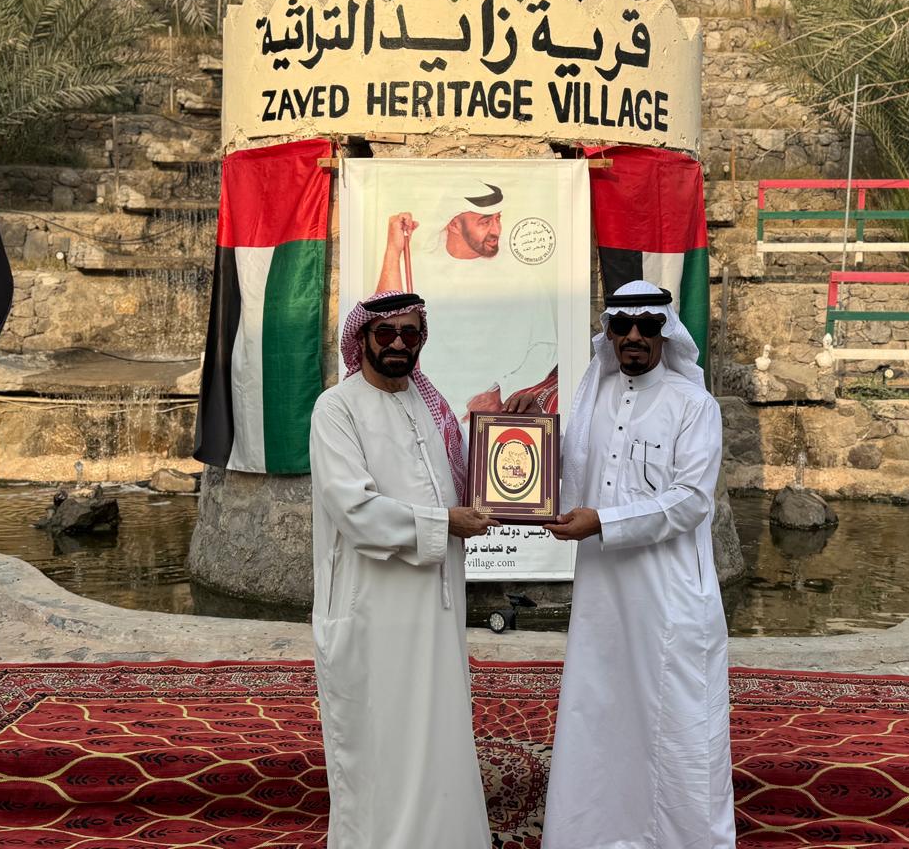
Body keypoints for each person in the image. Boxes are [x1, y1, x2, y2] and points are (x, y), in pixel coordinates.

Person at [541, 279, 736, 849]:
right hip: (602, 593)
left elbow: (691, 501)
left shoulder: (693, 405)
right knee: (600, 712)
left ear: (665, 334)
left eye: (647, 326)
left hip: (668, 596)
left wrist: (604, 522)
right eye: (621, 326)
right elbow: (562, 473)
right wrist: (521, 428)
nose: (633, 336)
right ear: (608, 333)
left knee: (674, 720)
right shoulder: (593, 398)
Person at [309, 290, 496, 849]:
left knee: (440, 736)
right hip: (373, 613)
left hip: (435, 612)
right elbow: (356, 512)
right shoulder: (336, 409)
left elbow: (461, 487)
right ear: (362, 338)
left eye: (409, 334)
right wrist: (445, 523)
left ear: (421, 340)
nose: (397, 344)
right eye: (385, 333)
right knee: (381, 745)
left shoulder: (428, 407)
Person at [373, 181, 558, 417]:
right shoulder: (418, 268)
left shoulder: (522, 277)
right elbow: (380, 320)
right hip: (423, 414)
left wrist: (502, 392)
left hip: (490, 419)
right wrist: (393, 249)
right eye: (485, 221)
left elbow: (544, 347)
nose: (496, 230)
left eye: (498, 219)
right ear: (453, 224)